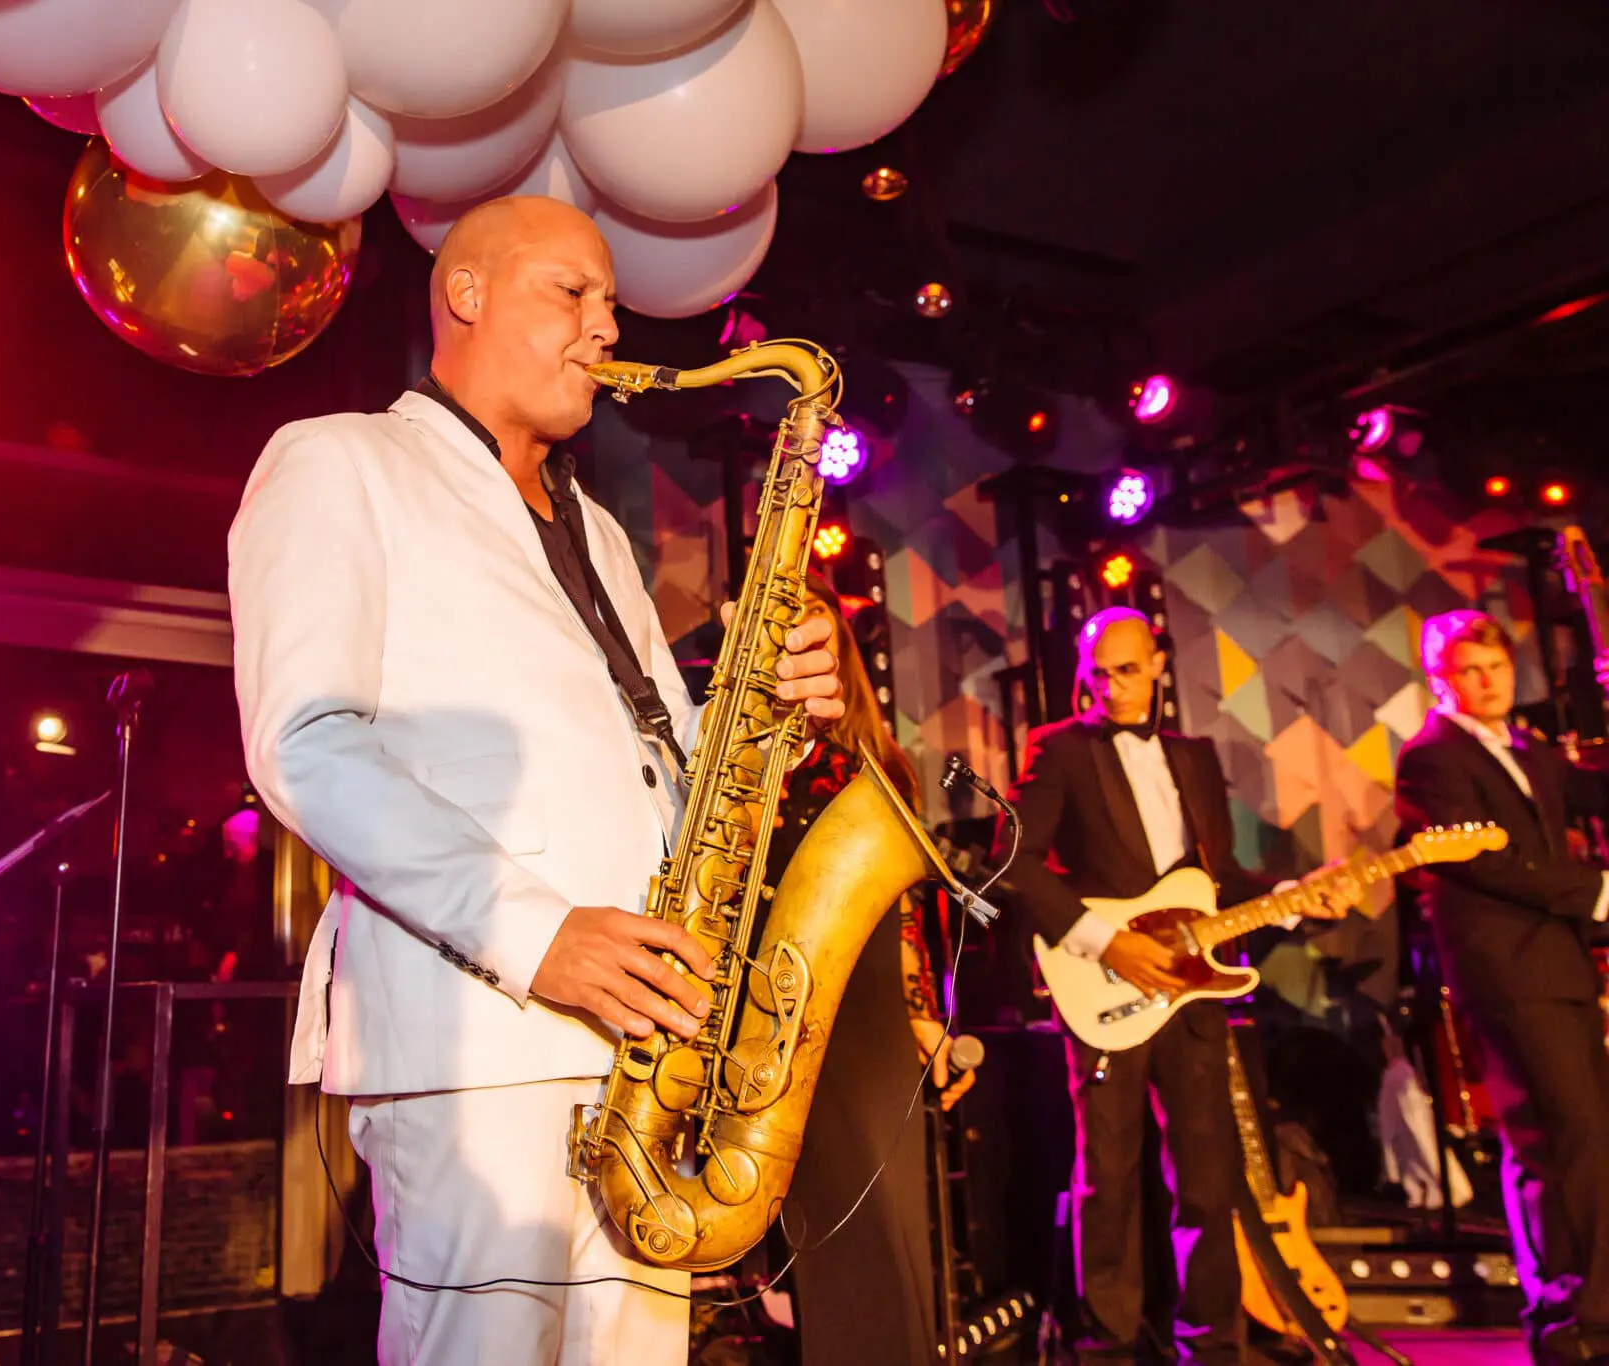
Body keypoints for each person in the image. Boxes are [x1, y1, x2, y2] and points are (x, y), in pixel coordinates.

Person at [227, 195, 845, 1366]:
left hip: (645, 1046)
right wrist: (536, 932)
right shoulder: (339, 461)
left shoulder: (598, 531)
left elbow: (659, 760)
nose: (605, 326)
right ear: (465, 293)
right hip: (476, 1040)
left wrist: (764, 711)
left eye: (609, 302)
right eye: (573, 293)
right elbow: (305, 741)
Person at [994, 608, 1356, 1365]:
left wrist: (1293, 898)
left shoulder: (1195, 756)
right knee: (1110, 1174)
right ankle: (1106, 1345)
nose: (1111, 688)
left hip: (1190, 993)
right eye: (1097, 674)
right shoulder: (1059, 748)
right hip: (1104, 981)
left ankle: (1211, 1344)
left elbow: (1214, 885)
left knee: (1207, 1175)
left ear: (1158, 665)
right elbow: (1012, 861)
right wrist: (1108, 941)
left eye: (1127, 670)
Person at [764, 571, 974, 1366]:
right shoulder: (746, 762)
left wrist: (922, 1009)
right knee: (820, 1230)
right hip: (782, 1008)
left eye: (815, 627)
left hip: (873, 1012)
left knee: (887, 1225)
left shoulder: (874, 760)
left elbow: (906, 905)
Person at [1395, 610, 1609, 1366]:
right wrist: (1593, 892)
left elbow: (1596, 792)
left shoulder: (1527, 749)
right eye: (1471, 671)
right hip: (1506, 968)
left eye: (1498, 667)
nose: (1489, 683)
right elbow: (1480, 863)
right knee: (1565, 1135)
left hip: (1560, 965)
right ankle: (1581, 1315)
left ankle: (1572, 1310)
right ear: (1441, 681)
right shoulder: (1431, 758)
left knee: (1578, 1137)